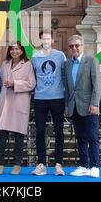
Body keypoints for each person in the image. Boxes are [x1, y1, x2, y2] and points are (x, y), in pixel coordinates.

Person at [0, 41, 36, 175]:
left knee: (18, 137)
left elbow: (32, 84)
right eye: (12, 49)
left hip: (19, 103)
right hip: (4, 103)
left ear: (22, 51)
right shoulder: (4, 64)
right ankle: (0, 164)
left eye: (17, 49)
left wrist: (15, 83)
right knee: (1, 136)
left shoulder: (28, 65)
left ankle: (17, 165)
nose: (14, 51)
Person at [65, 35, 101, 178]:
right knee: (80, 137)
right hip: (74, 106)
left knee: (93, 137)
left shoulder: (92, 61)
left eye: (77, 45)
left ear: (83, 46)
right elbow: (68, 88)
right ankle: (84, 165)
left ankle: (95, 166)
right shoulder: (67, 64)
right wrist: (67, 105)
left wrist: (94, 103)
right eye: (71, 46)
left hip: (89, 106)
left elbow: (97, 85)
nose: (74, 48)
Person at [31, 30, 67, 176]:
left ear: (52, 40)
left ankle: (58, 164)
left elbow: (65, 76)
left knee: (59, 132)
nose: (46, 41)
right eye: (43, 39)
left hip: (58, 98)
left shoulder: (60, 56)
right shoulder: (35, 56)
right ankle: (41, 164)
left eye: (48, 38)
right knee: (39, 132)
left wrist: (66, 98)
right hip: (40, 99)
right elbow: (32, 76)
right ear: (40, 41)